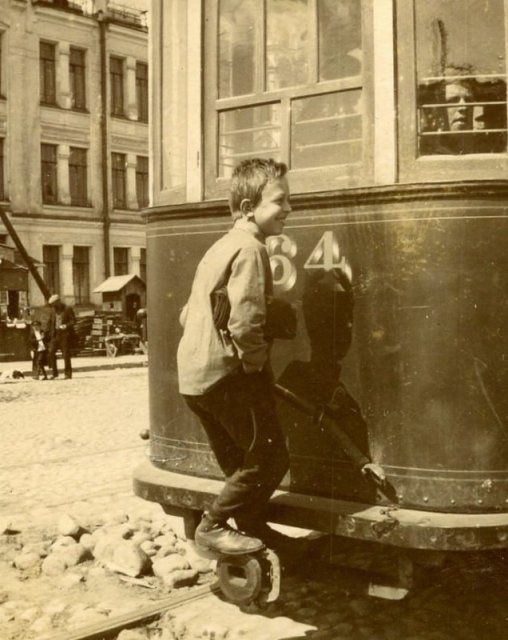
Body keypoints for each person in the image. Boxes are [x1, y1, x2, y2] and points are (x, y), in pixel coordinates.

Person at [177, 158, 292, 557]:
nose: (288, 209)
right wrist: (256, 367)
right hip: (226, 376)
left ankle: (251, 526)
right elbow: (245, 322)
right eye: (280, 201)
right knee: (270, 458)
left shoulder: (220, 247)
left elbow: (186, 314)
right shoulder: (251, 248)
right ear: (248, 209)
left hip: (194, 378)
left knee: (239, 462)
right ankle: (211, 528)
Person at [47, 294, 76, 380]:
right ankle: (54, 373)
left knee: (66, 355)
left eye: (54, 304)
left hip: (64, 336)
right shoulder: (53, 311)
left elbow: (73, 321)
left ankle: (68, 374)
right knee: (51, 352)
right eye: (52, 305)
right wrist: (47, 332)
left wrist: (66, 326)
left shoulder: (67, 309)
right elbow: (50, 322)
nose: (53, 306)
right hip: (55, 335)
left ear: (58, 302)